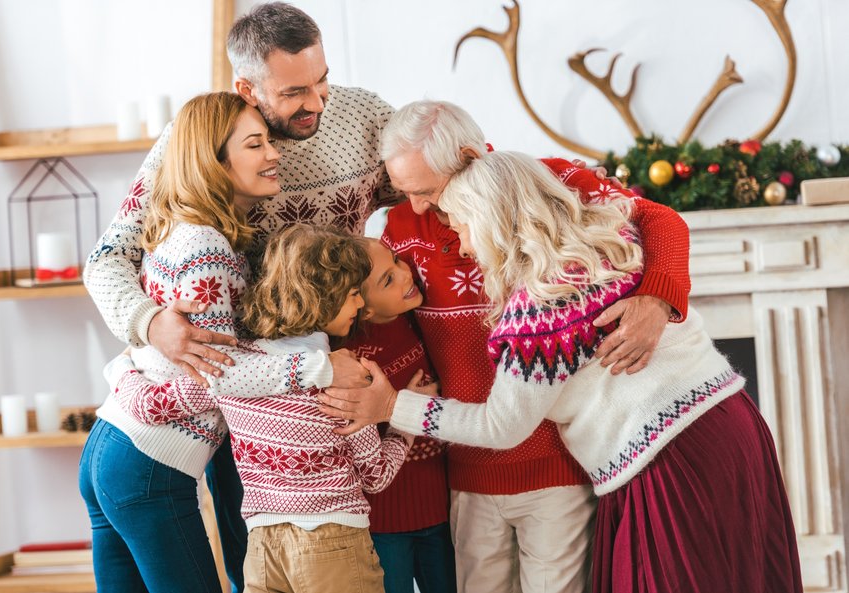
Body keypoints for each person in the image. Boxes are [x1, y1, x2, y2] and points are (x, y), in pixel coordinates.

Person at [340, 150, 804, 593]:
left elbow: (501, 426)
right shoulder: (610, 237)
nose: (461, 244)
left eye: (462, 228)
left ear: (493, 224)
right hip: (732, 425)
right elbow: (660, 219)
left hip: (666, 458)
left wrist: (393, 405)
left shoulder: (541, 310)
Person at [83, 6, 402, 588]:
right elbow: (107, 259)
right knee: (250, 565)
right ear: (246, 89)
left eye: (323, 79)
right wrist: (151, 323)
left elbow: (448, 177)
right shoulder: (202, 143)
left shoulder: (363, 117)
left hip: (330, 392)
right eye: (296, 91)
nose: (318, 102)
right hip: (247, 407)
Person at [320, 100, 692, 593]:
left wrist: (657, 296)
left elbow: (660, 219)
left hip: (558, 464)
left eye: (428, 191)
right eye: (406, 192)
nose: (418, 207)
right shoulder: (399, 233)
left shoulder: (549, 181)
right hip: (466, 465)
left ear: (470, 156)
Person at [106, 224, 420, 593]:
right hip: (333, 541)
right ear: (325, 297)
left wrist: (123, 364)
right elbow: (376, 476)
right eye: (353, 293)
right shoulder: (344, 376)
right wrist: (405, 423)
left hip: (262, 548)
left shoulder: (232, 369)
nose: (360, 304)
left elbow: (146, 405)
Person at [344, 239, 456, 593]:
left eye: (396, 261)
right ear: (365, 310)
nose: (406, 274)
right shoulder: (352, 354)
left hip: (440, 502)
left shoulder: (423, 320)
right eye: (387, 280)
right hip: (384, 515)